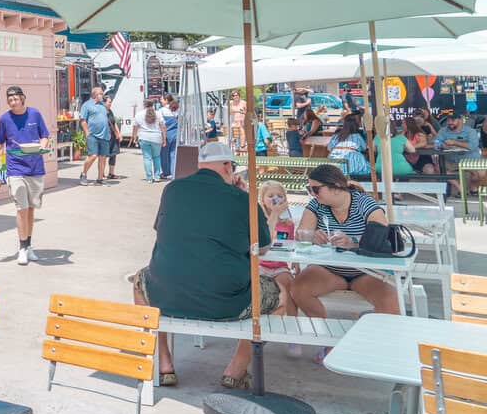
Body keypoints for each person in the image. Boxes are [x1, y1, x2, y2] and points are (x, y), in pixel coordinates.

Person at [131, 141, 275, 389]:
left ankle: (164, 362)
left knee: (139, 281)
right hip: (226, 301)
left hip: (166, 295)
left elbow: (161, 229)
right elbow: (261, 248)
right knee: (281, 296)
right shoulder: (243, 200)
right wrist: (242, 196)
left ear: (200, 166)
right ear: (228, 167)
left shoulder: (172, 190)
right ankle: (236, 368)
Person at [290, 165, 399, 328]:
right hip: (329, 269)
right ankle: (325, 335)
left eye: (315, 189)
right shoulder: (316, 205)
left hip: (365, 271)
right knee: (298, 289)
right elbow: (301, 234)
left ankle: (372, 343)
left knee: (390, 301)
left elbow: (384, 236)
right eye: (309, 189)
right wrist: (312, 236)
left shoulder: (363, 203)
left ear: (336, 187)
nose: (312, 193)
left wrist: (354, 242)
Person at [0, 86, 50, 265]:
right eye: (10, 100)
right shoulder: (4, 119)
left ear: (23, 98)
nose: (13, 102)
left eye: (15, 99)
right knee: (21, 208)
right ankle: (21, 248)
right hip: (15, 169)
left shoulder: (35, 114)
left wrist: (42, 146)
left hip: (35, 168)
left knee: (31, 209)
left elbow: (44, 135)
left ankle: (29, 246)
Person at [258, 180, 300, 354]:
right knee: (261, 289)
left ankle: (292, 332)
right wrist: (274, 215)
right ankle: (261, 329)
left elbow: (292, 244)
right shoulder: (260, 219)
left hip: (280, 266)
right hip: (261, 265)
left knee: (289, 287)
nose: (276, 199)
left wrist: (296, 262)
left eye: (279, 196)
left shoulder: (289, 221)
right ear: (263, 199)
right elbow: (265, 238)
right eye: (271, 196)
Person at [435, 113, 476, 194]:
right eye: (448, 120)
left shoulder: (470, 131)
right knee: (437, 167)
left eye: (453, 120)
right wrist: (442, 145)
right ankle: (459, 187)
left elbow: (472, 146)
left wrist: (454, 142)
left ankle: (473, 189)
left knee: (477, 174)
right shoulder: (443, 130)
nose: (450, 122)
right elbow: (436, 143)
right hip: (450, 160)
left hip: (467, 160)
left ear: (460, 120)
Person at [79, 86, 110, 186]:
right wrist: (87, 133)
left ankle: (100, 179)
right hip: (92, 135)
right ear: (96, 95)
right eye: (101, 93)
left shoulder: (102, 105)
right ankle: (83, 174)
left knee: (103, 157)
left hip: (104, 135)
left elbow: (106, 119)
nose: (103, 95)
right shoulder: (87, 105)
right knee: (93, 156)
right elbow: (83, 120)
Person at [135, 100, 167, 183]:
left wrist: (134, 137)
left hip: (144, 138)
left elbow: (135, 127)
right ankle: (157, 177)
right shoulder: (158, 113)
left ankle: (149, 178)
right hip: (156, 138)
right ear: (153, 104)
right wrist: (164, 139)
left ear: (144, 105)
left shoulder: (139, 114)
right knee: (156, 157)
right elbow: (163, 127)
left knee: (147, 158)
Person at [159, 95, 179, 179]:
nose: (160, 101)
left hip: (166, 134)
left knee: (164, 154)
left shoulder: (162, 110)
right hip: (175, 134)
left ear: (166, 100)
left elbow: (160, 123)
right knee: (173, 154)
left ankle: (165, 173)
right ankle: (173, 173)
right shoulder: (177, 109)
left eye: (162, 99)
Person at [104, 95, 122, 180]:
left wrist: (118, 133)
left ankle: (111, 173)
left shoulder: (110, 111)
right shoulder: (102, 112)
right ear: (104, 102)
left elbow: (114, 123)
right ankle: (102, 173)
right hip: (106, 136)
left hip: (113, 136)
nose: (110, 103)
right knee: (104, 155)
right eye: (109, 102)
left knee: (113, 154)